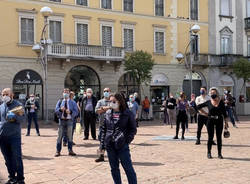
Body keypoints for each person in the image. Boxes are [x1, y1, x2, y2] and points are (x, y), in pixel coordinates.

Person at [100, 93, 137, 184]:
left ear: (119, 102)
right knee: (114, 169)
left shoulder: (127, 113)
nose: (111, 103)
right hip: (110, 145)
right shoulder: (108, 113)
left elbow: (133, 129)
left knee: (128, 168)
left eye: (113, 101)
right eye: (110, 101)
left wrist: (126, 141)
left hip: (122, 145)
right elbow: (104, 129)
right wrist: (102, 145)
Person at [0, 88, 25, 184]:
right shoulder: (1, 106)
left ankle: (20, 179)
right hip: (2, 137)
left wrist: (14, 117)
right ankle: (12, 177)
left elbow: (23, 119)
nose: (4, 96)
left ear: (12, 95)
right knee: (7, 159)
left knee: (17, 158)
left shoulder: (18, 105)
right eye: (3, 94)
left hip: (14, 137)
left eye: (6, 94)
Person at [197, 87, 228, 159]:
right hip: (210, 120)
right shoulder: (208, 102)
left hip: (219, 120)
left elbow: (225, 114)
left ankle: (219, 154)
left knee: (219, 137)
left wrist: (226, 124)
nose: (212, 94)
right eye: (211, 93)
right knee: (210, 137)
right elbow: (198, 106)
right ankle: (209, 152)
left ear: (217, 93)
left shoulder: (221, 102)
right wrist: (205, 113)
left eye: (214, 93)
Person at [54, 88, 78, 157]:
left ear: (69, 93)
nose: (66, 94)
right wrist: (60, 110)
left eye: (67, 92)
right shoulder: (60, 101)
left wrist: (70, 112)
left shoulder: (72, 102)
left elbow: (76, 112)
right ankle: (58, 151)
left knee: (70, 136)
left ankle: (70, 150)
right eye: (64, 92)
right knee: (59, 136)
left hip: (69, 121)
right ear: (62, 93)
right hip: (61, 121)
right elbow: (56, 110)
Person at [95, 87, 112, 162]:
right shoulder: (100, 101)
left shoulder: (113, 101)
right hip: (102, 124)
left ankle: (113, 156)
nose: (106, 92)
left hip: (112, 125)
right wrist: (107, 108)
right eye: (104, 91)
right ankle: (101, 156)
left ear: (110, 92)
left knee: (112, 141)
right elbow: (97, 111)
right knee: (101, 141)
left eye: (107, 91)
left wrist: (103, 109)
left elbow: (115, 109)